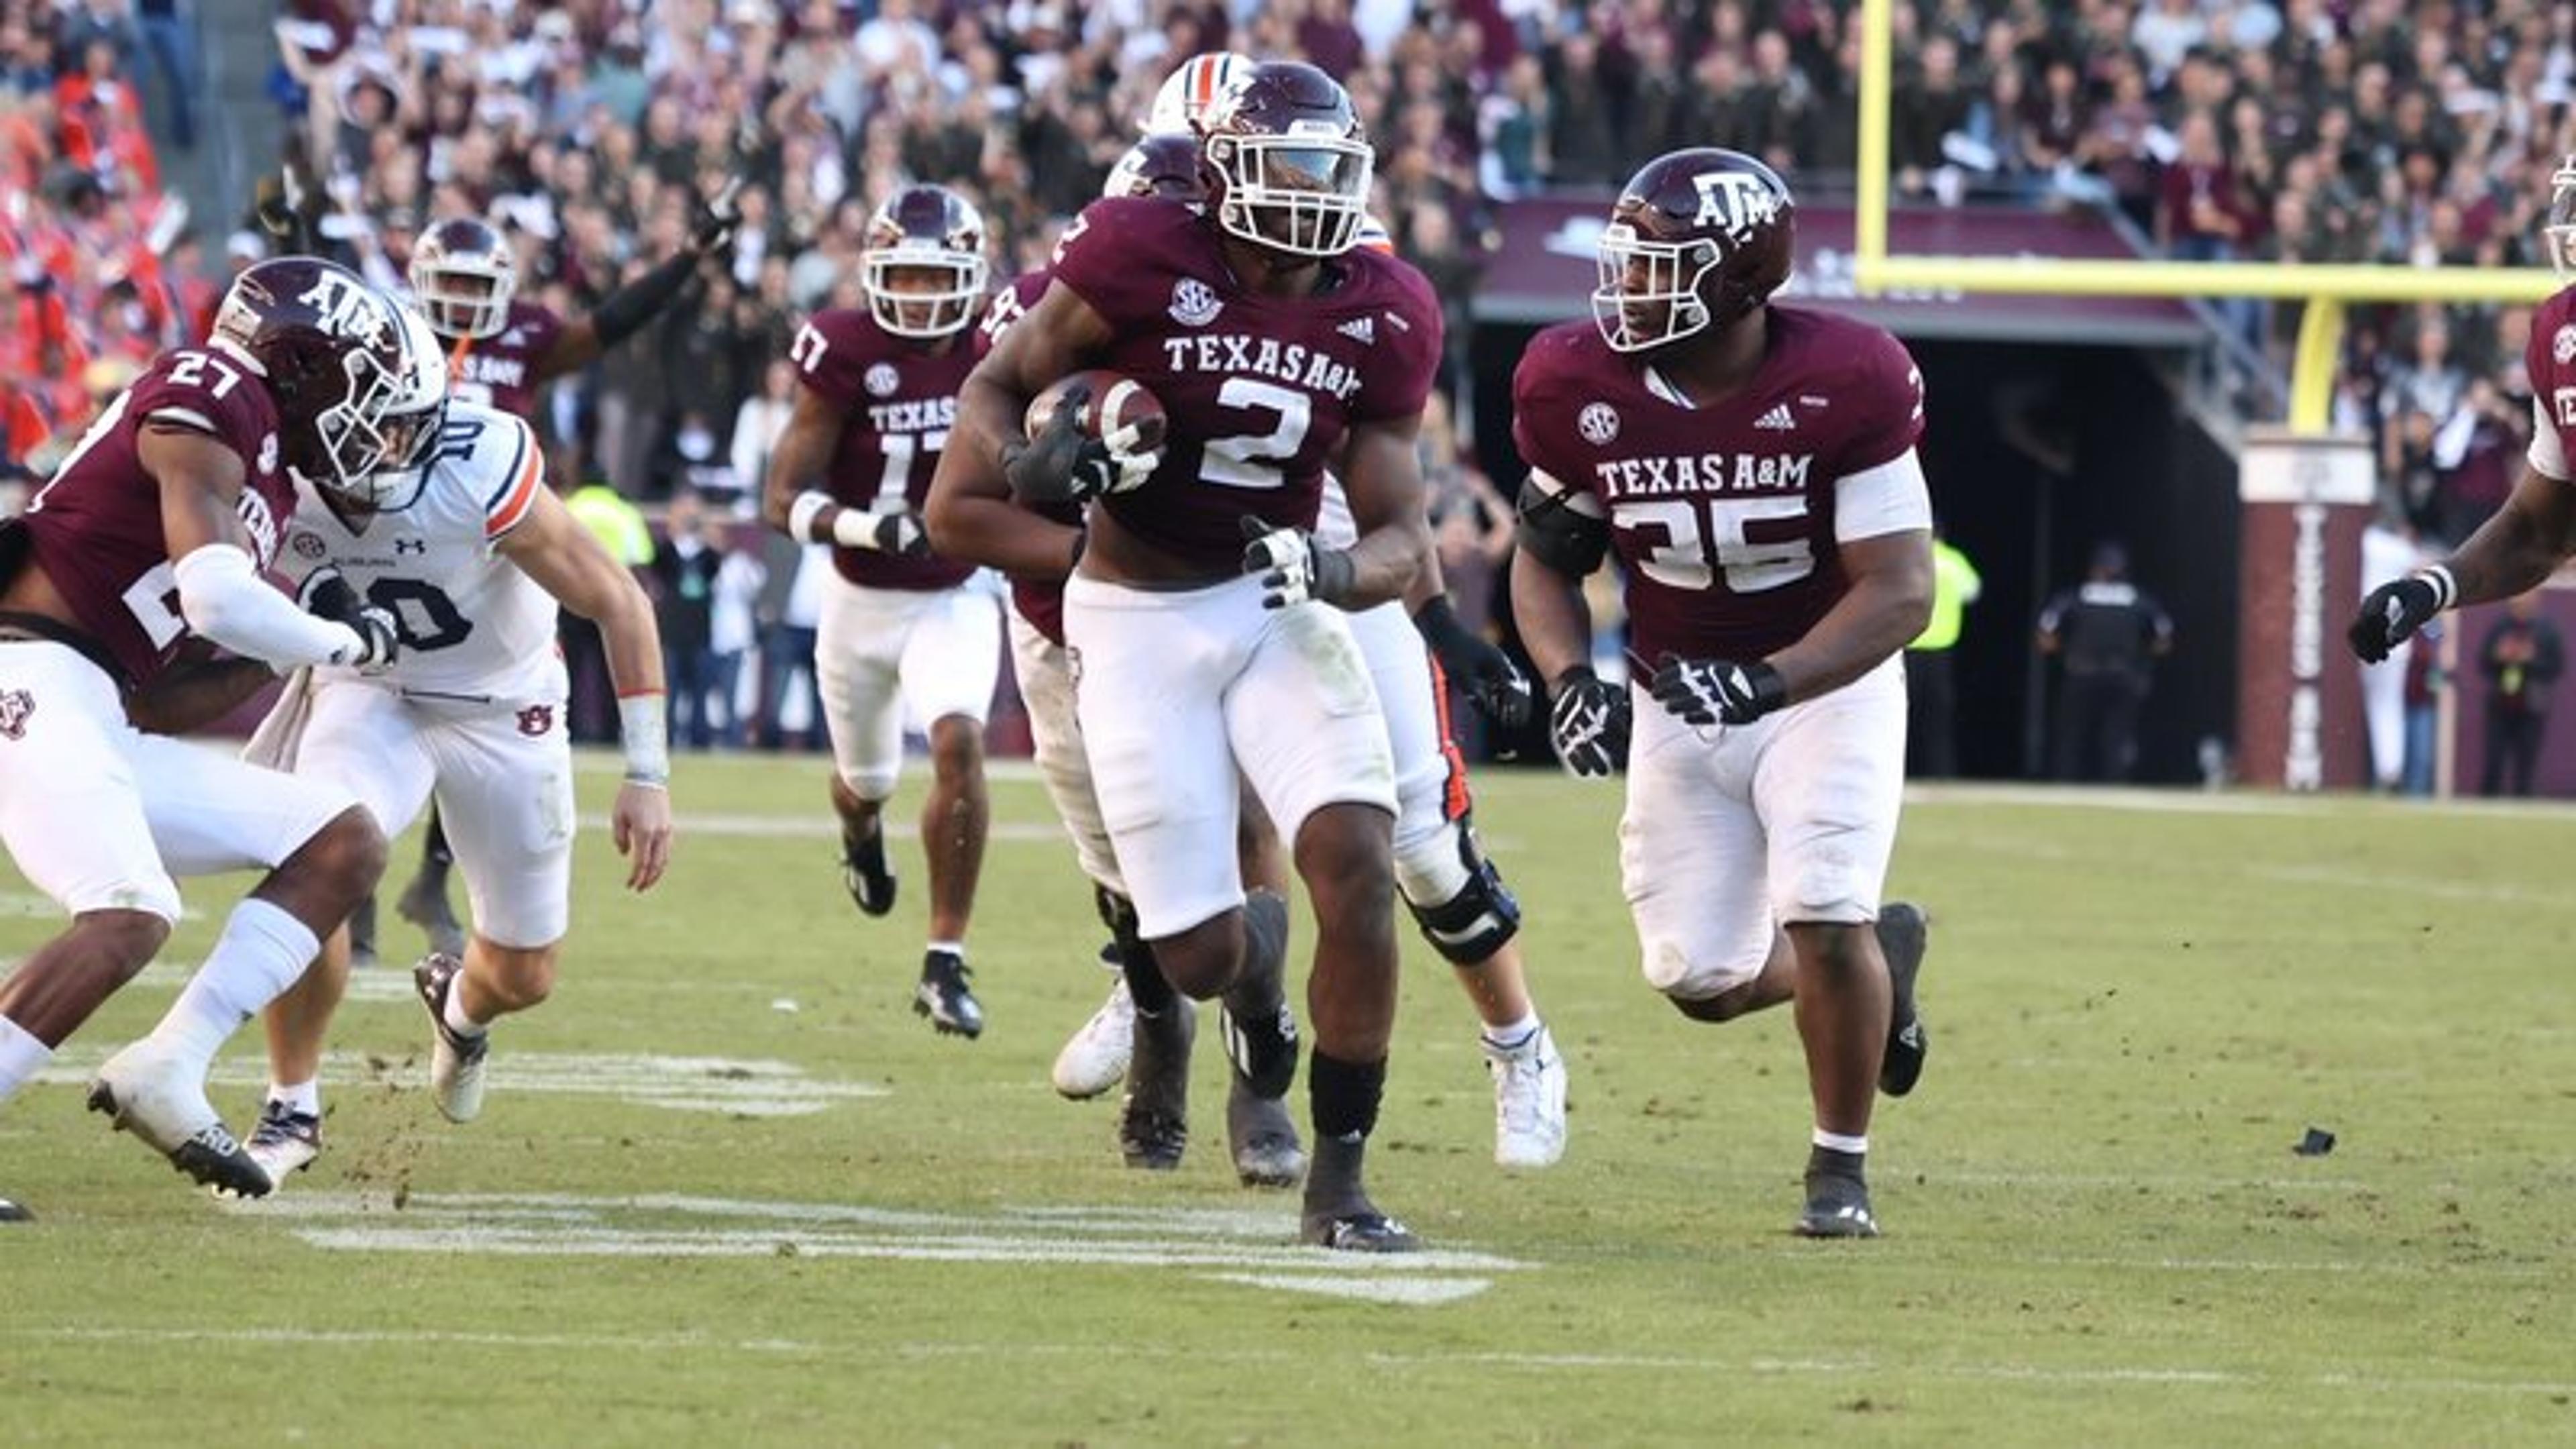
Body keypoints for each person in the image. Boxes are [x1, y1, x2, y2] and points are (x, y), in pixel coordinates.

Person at [928, 62, 1442, 1252]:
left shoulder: (1386, 305)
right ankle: (1253, 980)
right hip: (1135, 614)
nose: (1311, 194)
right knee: (1199, 954)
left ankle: (1344, 1185)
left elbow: (1404, 533)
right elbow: (994, 398)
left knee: (1360, 862)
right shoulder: (1138, 254)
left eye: (1329, 167)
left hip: (1272, 602)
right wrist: (1033, 467)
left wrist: (1332, 573)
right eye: (1286, 166)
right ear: (1220, 174)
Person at [1041, 65, 1568, 1174]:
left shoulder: (1347, 267)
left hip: (1327, 555)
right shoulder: (1143, 241)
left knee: (1414, 840)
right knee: (1211, 819)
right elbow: (1051, 387)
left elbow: (1390, 494)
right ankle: (1178, 983)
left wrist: (1442, 626)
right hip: (1186, 560)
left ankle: (1517, 1044)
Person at [1508, 148, 1935, 1238]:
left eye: (1659, 267)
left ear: (1740, 277)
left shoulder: (1850, 378)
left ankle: (1838, 1170)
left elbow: (1900, 592)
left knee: (1825, 906)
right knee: (1699, 978)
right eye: (1627, 262)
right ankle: (1876, 968)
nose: (1626, 288)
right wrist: (1568, 676)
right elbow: (1544, 556)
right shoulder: (1574, 382)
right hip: (1674, 697)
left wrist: (1772, 679)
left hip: (1820, 686)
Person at [240, 306, 675, 1185]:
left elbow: (619, 602)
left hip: (503, 707)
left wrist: (647, 772)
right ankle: (291, 1102)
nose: (399, 441)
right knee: (315, 862)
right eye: (383, 420)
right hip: (374, 693)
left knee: (524, 974)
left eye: (412, 420)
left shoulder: (479, 463)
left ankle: (461, 1006)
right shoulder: (278, 474)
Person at [0, 256, 402, 1206]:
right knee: (129, 910)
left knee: (340, 838)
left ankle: (170, 1065)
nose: (362, 410)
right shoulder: (214, 387)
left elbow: (160, 701)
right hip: (27, 669)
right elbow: (216, 594)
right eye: (353, 376)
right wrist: (337, 636)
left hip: (94, 700)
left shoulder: (270, 474)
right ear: (298, 360)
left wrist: (285, 650)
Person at [376, 194, 735, 963]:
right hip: (395, 528)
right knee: (366, 690)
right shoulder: (388, 336)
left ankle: (434, 877)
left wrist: (685, 264)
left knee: (491, 704)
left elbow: (606, 327)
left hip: (500, 536)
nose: (468, 302)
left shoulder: (528, 334)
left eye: (481, 286)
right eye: (456, 284)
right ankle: (356, 899)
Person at [762, 183, 1002, 1039]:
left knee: (959, 740)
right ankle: (861, 834)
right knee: (865, 785)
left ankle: (944, 959)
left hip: (955, 591)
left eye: (939, 280)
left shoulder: (994, 347)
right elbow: (780, 497)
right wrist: (870, 526)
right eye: (904, 276)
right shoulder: (842, 347)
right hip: (860, 595)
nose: (920, 296)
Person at [2037, 541, 2173, 783]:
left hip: (2081, 673)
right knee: (2117, 735)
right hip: (2123, 675)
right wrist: (2143, 660)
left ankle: (2065, 783)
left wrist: (2061, 655)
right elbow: (2163, 638)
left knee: (2072, 734)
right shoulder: (2141, 602)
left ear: (2095, 569)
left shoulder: (2075, 597)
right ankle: (2115, 784)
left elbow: (2046, 631)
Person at [1904, 523, 1980, 778]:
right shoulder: (1954, 560)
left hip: (1909, 648)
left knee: (1903, 716)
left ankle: (1903, 772)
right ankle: (1941, 773)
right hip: (1942, 650)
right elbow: (1972, 592)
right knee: (1938, 719)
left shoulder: (1908, 557)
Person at [2475, 592, 2561, 797]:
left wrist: (2530, 659)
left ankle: (2524, 799)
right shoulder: (2501, 628)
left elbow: (2556, 666)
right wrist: (2500, 656)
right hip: (2501, 702)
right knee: (2494, 756)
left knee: (2527, 758)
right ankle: (2488, 800)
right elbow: (2484, 661)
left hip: (2532, 703)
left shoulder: (2547, 631)